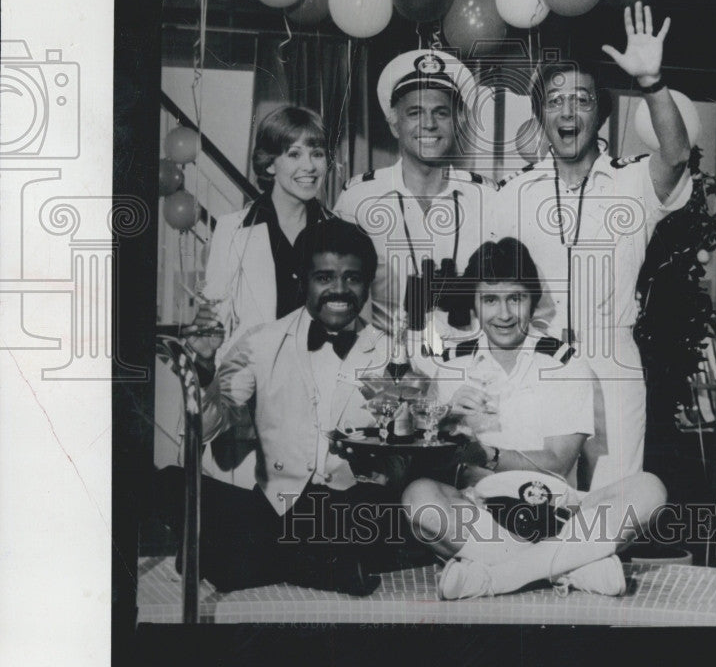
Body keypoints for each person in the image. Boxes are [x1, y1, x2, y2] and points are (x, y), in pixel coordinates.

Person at [492, 3, 692, 488]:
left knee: (611, 502)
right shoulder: (513, 194)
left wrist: (652, 82)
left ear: (600, 113)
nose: (567, 111)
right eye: (554, 101)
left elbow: (677, 154)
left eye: (581, 100)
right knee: (534, 500)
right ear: (540, 114)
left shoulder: (632, 183)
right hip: (537, 361)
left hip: (612, 362)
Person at [400, 237, 667, 600]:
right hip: (482, 513)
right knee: (418, 498)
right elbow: (431, 461)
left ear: (533, 298)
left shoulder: (564, 363)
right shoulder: (450, 363)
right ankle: (574, 566)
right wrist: (444, 422)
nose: (504, 314)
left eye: (516, 298)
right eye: (490, 300)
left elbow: (557, 463)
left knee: (649, 489)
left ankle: (497, 577)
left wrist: (486, 455)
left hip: (559, 512)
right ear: (475, 304)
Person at [155, 217, 407, 596]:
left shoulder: (389, 352)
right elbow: (206, 427)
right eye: (324, 278)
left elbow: (402, 449)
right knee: (167, 484)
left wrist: (385, 454)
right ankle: (316, 567)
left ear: (367, 285)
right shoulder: (261, 343)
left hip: (351, 508)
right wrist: (204, 369)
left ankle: (233, 558)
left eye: (352, 279)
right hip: (277, 505)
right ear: (301, 281)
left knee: (378, 518)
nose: (339, 290)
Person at [183, 104, 331, 481]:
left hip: (317, 411)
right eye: (294, 154)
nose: (310, 166)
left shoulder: (339, 234)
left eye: (317, 153)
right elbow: (216, 318)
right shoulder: (233, 230)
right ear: (269, 164)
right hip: (248, 414)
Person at [334, 48, 497, 352]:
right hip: (384, 362)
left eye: (441, 112)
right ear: (394, 123)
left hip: (467, 363)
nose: (429, 124)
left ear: (457, 122)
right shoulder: (358, 199)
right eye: (415, 113)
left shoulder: (487, 197)